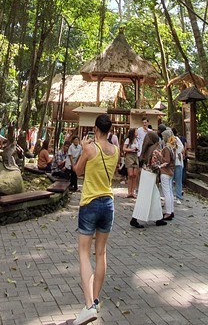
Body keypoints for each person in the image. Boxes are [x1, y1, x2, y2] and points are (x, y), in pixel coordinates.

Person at [72, 113, 119, 325]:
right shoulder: (115, 150)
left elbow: (77, 171)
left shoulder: (90, 148)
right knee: (101, 253)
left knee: (84, 252)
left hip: (90, 202)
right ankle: (96, 300)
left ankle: (89, 304)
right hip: (108, 203)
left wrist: (83, 149)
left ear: (96, 128)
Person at [130, 126, 164, 229]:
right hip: (150, 175)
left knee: (155, 196)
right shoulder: (155, 150)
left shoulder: (147, 149)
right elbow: (154, 165)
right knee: (146, 197)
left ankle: (158, 218)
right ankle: (135, 219)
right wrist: (162, 166)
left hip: (146, 173)